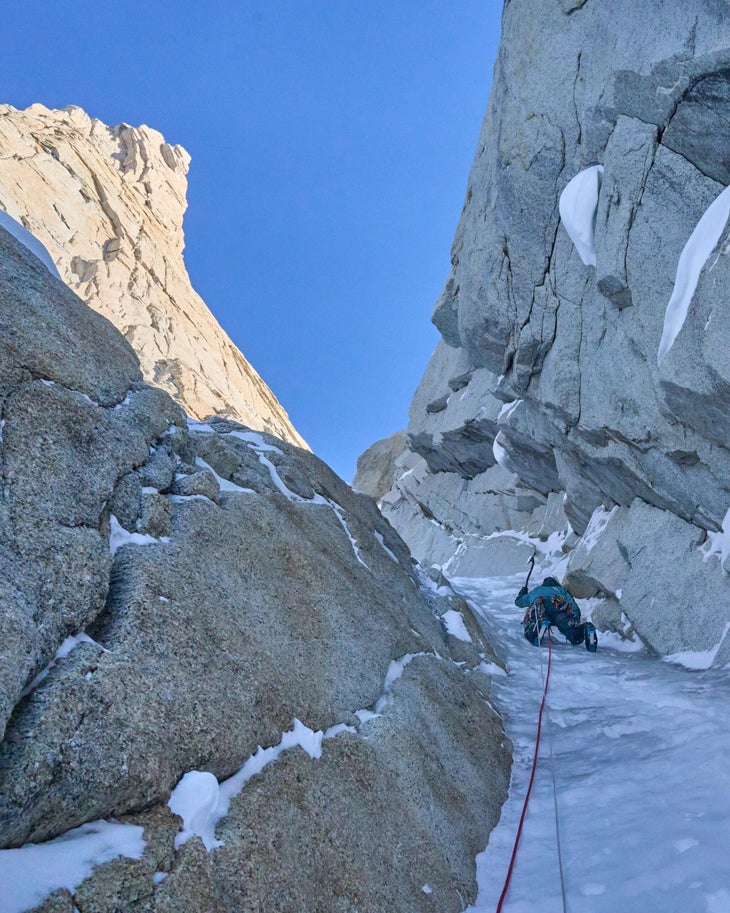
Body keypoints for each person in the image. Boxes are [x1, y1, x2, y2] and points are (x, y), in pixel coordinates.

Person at [516, 576, 597, 652]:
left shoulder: (537, 590)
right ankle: (585, 629)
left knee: (535, 623)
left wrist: (522, 593)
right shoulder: (561, 590)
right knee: (572, 634)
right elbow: (573, 606)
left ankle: (540, 626)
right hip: (558, 607)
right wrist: (575, 618)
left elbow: (519, 602)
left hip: (541, 607)